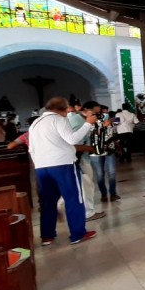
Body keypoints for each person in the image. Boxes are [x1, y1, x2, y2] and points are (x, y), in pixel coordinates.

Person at [27, 97, 99, 246]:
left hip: (41, 167)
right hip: (63, 164)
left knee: (48, 201)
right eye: (67, 109)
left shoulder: (35, 123)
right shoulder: (58, 120)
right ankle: (78, 234)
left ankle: (47, 236)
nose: (68, 112)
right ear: (62, 108)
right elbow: (72, 139)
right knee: (73, 198)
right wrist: (87, 124)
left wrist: (39, 164)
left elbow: (31, 149)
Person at [69, 101, 106, 222]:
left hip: (83, 157)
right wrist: (92, 148)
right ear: (86, 110)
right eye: (95, 113)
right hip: (78, 158)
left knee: (86, 184)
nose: (97, 115)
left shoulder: (83, 120)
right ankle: (89, 212)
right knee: (87, 184)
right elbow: (72, 144)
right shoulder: (77, 121)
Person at [89, 109, 119, 203]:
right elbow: (92, 136)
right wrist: (102, 127)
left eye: (106, 113)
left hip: (109, 150)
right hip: (96, 152)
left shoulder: (109, 122)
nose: (104, 115)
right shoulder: (90, 124)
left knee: (112, 173)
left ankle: (113, 194)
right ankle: (104, 194)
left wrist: (110, 122)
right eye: (103, 113)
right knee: (100, 174)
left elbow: (115, 131)